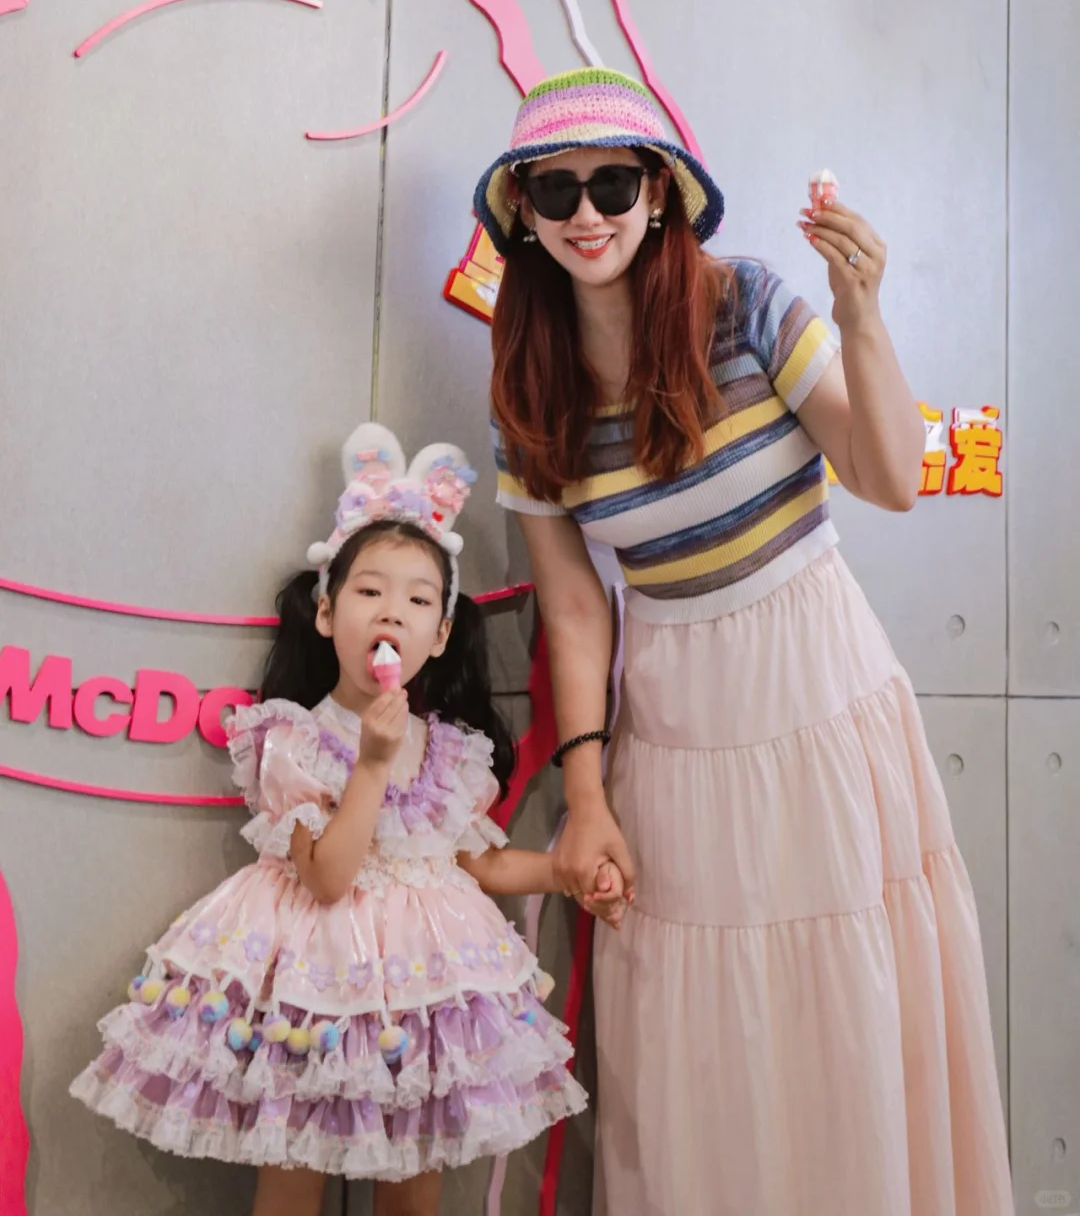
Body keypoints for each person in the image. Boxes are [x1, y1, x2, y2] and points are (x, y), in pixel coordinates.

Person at [476, 67, 1014, 1215]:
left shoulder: (746, 303)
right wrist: (587, 794)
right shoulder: (528, 384)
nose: (587, 213)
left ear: (659, 192)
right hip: (675, 715)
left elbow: (889, 477)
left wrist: (860, 315)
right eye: (556, 189)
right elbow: (575, 608)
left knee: (845, 990)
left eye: (614, 184)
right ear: (523, 209)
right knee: (705, 1027)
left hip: (819, 685)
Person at [71, 421, 624, 1216]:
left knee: (414, 1196)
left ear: (441, 633)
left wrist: (567, 871)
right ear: (327, 613)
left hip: (419, 1000)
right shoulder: (294, 741)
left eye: (418, 599)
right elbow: (328, 876)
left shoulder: (451, 752)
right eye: (369, 592)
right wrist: (370, 763)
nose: (392, 612)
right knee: (291, 1188)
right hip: (311, 999)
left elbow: (476, 863)